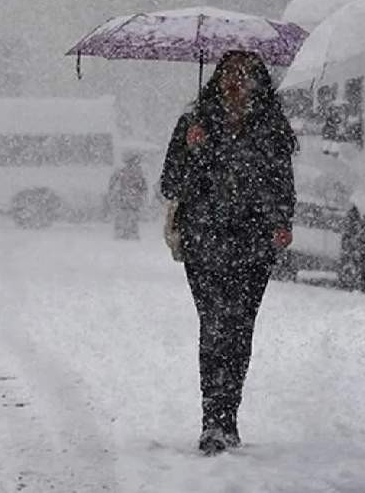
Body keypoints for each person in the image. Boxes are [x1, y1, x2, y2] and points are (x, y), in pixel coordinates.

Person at [159, 50, 296, 455]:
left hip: (253, 244)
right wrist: (192, 149)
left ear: (259, 83)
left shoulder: (271, 129)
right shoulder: (194, 124)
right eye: (230, 74)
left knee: (239, 329)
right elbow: (170, 184)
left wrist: (282, 222)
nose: (237, 82)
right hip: (204, 241)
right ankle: (212, 420)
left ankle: (228, 415)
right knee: (215, 325)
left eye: (247, 75)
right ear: (217, 79)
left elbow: (282, 184)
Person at [108, 153, 148, 240]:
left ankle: (125, 233)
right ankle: (128, 233)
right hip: (129, 200)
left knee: (127, 217)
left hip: (127, 199)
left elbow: (113, 183)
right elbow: (144, 187)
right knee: (128, 217)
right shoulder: (135, 173)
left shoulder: (124, 172)